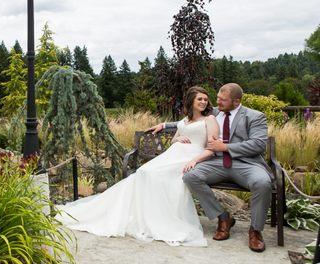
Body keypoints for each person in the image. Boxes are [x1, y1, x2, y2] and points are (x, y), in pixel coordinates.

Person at [57, 86, 217, 247]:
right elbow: (175, 139)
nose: (203, 102)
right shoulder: (184, 120)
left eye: (205, 99)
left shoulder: (209, 120)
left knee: (155, 175)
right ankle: (141, 215)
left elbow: (212, 146)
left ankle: (157, 218)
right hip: (173, 154)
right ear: (191, 101)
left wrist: (195, 161)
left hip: (190, 157)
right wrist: (179, 138)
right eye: (199, 99)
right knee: (143, 171)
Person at [149, 83, 272, 252]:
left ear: (236, 102)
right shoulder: (214, 112)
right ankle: (223, 217)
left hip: (246, 163)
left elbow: (258, 144)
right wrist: (164, 125)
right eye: (218, 99)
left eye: (223, 100)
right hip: (216, 162)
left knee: (262, 182)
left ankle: (255, 231)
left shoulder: (255, 116)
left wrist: (227, 147)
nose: (217, 103)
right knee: (191, 176)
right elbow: (189, 121)